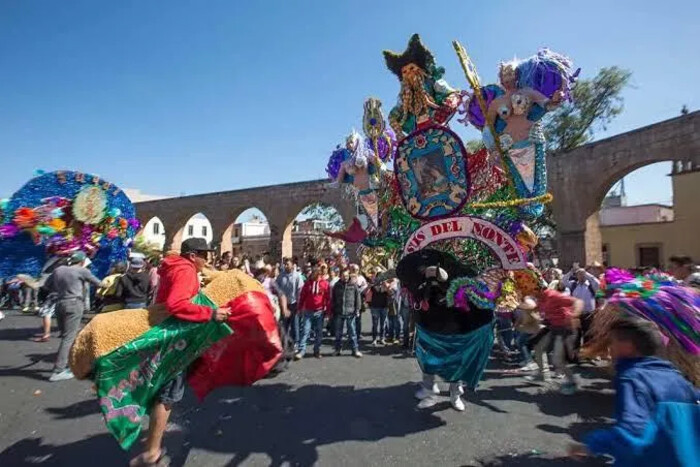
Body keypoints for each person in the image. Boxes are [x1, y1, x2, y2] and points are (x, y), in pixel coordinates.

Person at [129, 238, 230, 467]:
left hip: (165, 334)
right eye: (205, 255)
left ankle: (152, 440)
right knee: (168, 395)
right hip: (173, 340)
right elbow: (176, 304)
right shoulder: (185, 271)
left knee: (164, 391)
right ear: (193, 255)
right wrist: (211, 314)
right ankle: (151, 453)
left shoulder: (176, 267)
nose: (208, 259)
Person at [569, 318, 699, 465]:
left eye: (612, 342)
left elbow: (633, 431)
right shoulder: (677, 377)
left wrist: (591, 446)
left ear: (627, 346)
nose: (609, 348)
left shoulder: (632, 378)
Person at [43, 251, 104, 382]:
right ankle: (58, 371)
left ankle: (68, 363)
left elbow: (46, 285)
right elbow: (99, 284)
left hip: (59, 304)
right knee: (68, 338)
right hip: (74, 304)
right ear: (82, 261)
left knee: (66, 336)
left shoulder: (59, 270)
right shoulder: (82, 271)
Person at [527, 287, 582, 394]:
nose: (529, 293)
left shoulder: (553, 295)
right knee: (538, 348)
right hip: (553, 328)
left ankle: (572, 382)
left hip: (565, 330)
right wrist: (540, 318)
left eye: (530, 290)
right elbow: (537, 309)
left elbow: (578, 301)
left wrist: (574, 315)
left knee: (557, 361)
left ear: (538, 288)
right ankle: (542, 374)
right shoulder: (540, 298)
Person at [295, 267, 331, 359]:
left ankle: (316, 350)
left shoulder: (325, 284)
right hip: (308, 311)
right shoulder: (308, 284)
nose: (316, 277)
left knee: (319, 332)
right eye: (314, 275)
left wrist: (328, 312)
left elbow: (328, 299)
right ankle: (301, 351)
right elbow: (302, 296)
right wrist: (299, 308)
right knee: (305, 331)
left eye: (318, 275)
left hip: (319, 311)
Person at [565, 266, 600, 348]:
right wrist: (571, 272)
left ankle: (586, 355)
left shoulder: (591, 285)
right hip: (576, 315)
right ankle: (576, 355)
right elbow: (563, 281)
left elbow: (597, 283)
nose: (581, 276)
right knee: (576, 335)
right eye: (579, 274)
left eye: (582, 274)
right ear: (576, 276)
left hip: (589, 314)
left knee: (588, 335)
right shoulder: (573, 285)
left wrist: (586, 273)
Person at [332, 269, 363, 357]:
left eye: (346, 276)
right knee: (338, 333)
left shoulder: (353, 285)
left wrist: (357, 309)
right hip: (339, 312)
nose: (345, 277)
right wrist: (333, 309)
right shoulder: (337, 285)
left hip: (350, 312)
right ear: (340, 276)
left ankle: (355, 350)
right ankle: (338, 349)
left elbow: (358, 298)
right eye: (343, 276)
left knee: (352, 333)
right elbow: (333, 298)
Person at [276, 258, 304, 347]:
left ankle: (295, 343)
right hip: (284, 305)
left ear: (292, 265)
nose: (286, 266)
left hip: (294, 304)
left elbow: (300, 290)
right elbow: (277, 288)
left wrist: (300, 305)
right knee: (284, 325)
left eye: (288, 264)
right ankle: (283, 343)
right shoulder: (281, 276)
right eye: (285, 264)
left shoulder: (297, 276)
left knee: (295, 325)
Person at [367, 271, 390, 346]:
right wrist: (371, 285)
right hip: (375, 306)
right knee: (375, 324)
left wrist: (386, 286)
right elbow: (368, 291)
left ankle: (382, 338)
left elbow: (390, 293)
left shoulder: (386, 284)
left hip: (384, 306)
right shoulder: (373, 284)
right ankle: (374, 339)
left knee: (383, 324)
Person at [348, 264, 367, 340]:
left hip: (359, 299)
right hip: (350, 300)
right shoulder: (348, 277)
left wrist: (359, 290)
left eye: (357, 270)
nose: (355, 271)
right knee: (350, 318)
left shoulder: (361, 278)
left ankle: (358, 334)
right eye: (353, 269)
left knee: (358, 318)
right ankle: (350, 334)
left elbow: (365, 287)